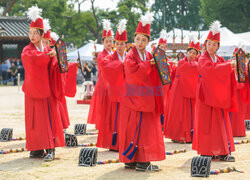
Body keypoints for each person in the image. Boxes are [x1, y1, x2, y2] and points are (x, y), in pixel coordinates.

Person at [119, 12, 165, 171]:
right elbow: (132, 72)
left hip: (145, 97)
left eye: (144, 40)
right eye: (138, 39)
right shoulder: (130, 56)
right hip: (134, 96)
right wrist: (149, 65)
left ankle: (141, 160)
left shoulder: (149, 54)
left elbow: (156, 74)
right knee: (135, 127)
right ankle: (134, 160)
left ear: (148, 42)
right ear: (134, 39)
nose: (140, 42)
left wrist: (159, 66)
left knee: (144, 128)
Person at [21, 6, 65, 161]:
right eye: (30, 33)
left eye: (35, 33)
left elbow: (55, 67)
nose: (32, 36)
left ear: (41, 35)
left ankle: (50, 148)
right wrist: (49, 56)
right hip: (34, 90)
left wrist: (55, 57)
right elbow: (32, 60)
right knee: (34, 120)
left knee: (48, 119)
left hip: (47, 90)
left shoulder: (47, 49)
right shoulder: (27, 50)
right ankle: (37, 148)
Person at [192, 20, 236, 162]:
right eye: (209, 44)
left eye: (214, 44)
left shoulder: (219, 58)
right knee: (206, 123)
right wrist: (228, 66)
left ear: (218, 46)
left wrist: (233, 68)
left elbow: (225, 71)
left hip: (217, 95)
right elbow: (210, 71)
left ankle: (222, 151)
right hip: (205, 94)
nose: (211, 47)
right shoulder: (202, 58)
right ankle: (206, 151)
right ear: (205, 45)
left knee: (220, 122)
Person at [97, 19, 128, 151]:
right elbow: (105, 66)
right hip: (114, 92)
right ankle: (114, 143)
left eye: (122, 44)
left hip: (127, 93)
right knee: (114, 119)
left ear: (126, 45)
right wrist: (121, 65)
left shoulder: (129, 57)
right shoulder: (109, 57)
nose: (119, 46)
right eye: (117, 43)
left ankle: (125, 141)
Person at [164, 34, 200, 143]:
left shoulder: (195, 64)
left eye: (194, 53)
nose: (191, 54)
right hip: (179, 90)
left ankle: (189, 135)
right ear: (186, 52)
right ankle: (178, 135)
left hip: (191, 90)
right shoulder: (182, 62)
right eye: (190, 52)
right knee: (179, 112)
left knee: (190, 113)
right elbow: (192, 68)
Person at [87, 19, 113, 130]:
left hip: (112, 83)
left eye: (111, 41)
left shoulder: (113, 53)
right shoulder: (102, 55)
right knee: (104, 105)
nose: (109, 43)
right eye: (106, 41)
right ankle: (103, 124)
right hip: (104, 82)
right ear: (102, 42)